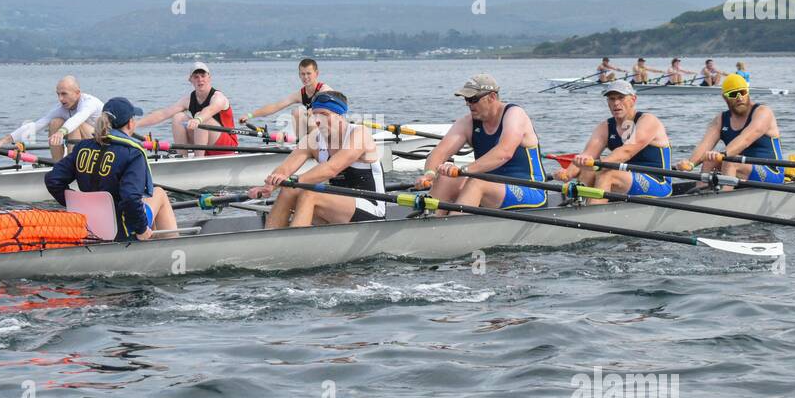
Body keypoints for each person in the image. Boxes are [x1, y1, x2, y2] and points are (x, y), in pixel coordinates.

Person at [44, 98, 177, 240]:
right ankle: (173, 247)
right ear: (130, 123)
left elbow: (52, 180)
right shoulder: (132, 154)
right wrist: (141, 229)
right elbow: (131, 198)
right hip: (121, 230)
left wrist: (76, 205)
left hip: (88, 223)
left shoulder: (82, 147)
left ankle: (152, 241)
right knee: (159, 193)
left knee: (140, 202)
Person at [247, 90, 385, 227]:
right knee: (289, 190)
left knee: (308, 194)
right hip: (338, 204)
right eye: (315, 115)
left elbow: (332, 169)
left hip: (371, 206)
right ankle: (273, 239)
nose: (318, 120)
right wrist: (269, 186)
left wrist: (293, 181)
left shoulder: (360, 134)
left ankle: (292, 245)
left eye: (324, 114)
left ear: (340, 116)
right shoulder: (312, 140)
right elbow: (285, 169)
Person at [416, 73, 547, 213]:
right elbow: (439, 153)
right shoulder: (468, 122)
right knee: (445, 177)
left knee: (476, 183)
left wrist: (464, 170)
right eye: (466, 99)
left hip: (529, 190)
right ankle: (432, 222)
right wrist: (430, 174)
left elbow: (504, 153)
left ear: (492, 97)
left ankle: (451, 229)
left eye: (473, 99)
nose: (468, 104)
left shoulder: (514, 114)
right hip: (492, 188)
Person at [555, 81, 672, 203]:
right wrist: (568, 173)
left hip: (658, 182)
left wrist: (596, 165)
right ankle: (581, 206)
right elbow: (587, 154)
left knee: (606, 173)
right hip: (626, 178)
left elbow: (626, 151)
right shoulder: (605, 126)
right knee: (587, 170)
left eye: (621, 98)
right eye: (612, 99)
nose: (616, 103)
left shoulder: (648, 120)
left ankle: (591, 215)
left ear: (633, 99)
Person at [677, 73, 785, 183]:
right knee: (709, 160)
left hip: (772, 172)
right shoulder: (721, 119)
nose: (739, 98)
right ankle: (700, 193)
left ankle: (724, 196)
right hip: (742, 169)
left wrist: (723, 155)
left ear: (748, 92)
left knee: (730, 161)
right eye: (733, 94)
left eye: (742, 92)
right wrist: (690, 164)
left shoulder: (763, 112)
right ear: (725, 97)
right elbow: (705, 144)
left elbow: (745, 139)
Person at [138, 63, 239, 156]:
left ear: (209, 78)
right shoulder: (188, 100)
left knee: (202, 117)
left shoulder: (218, 97)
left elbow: (210, 110)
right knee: (178, 117)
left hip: (227, 146)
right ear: (190, 80)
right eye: (196, 77)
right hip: (205, 143)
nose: (200, 79)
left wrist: (198, 119)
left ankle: (198, 160)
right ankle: (182, 157)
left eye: (203, 76)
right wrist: (135, 124)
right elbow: (163, 114)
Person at [0, 76, 103, 160]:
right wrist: (4, 141)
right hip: (85, 145)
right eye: (58, 94)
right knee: (55, 122)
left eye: (64, 94)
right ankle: (58, 165)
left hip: (104, 144)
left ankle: (72, 166)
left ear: (77, 93)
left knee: (74, 125)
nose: (60, 98)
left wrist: (61, 132)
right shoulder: (61, 108)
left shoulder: (89, 103)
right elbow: (36, 126)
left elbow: (78, 118)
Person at [238, 58, 332, 139]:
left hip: (331, 133)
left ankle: (314, 149)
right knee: (297, 112)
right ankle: (304, 146)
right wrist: (249, 115)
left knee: (313, 116)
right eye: (302, 74)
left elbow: (337, 111)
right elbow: (276, 106)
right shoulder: (300, 94)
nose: (305, 77)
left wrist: (316, 110)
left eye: (308, 73)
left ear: (316, 74)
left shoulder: (325, 90)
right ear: (299, 75)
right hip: (315, 134)